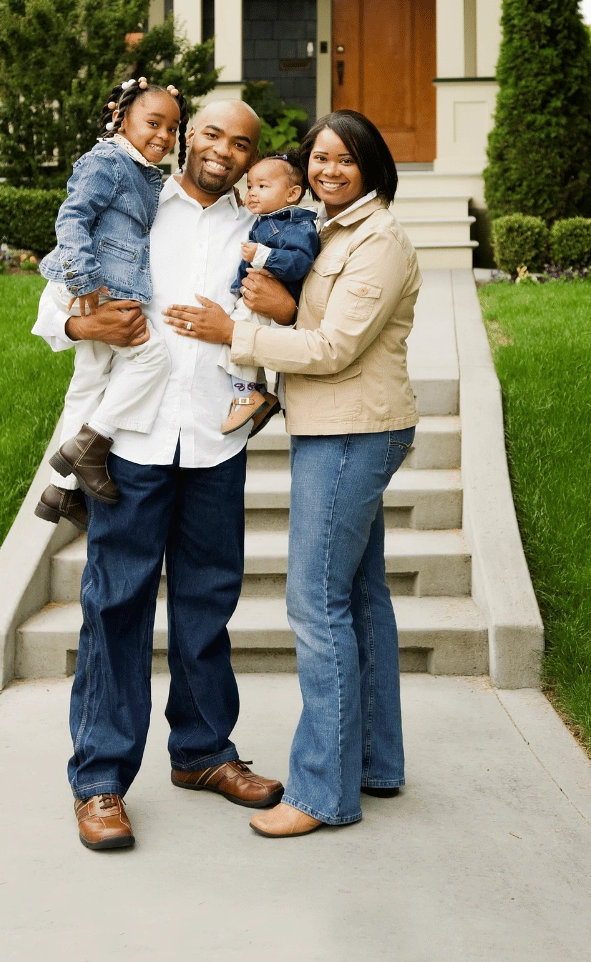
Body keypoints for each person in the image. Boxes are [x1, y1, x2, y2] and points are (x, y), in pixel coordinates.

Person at [32, 99, 296, 851]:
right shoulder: (138, 196)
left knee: (208, 602)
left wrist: (274, 312)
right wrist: (86, 323)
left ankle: (204, 753)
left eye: (241, 142)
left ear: (252, 157)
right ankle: (101, 782)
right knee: (116, 605)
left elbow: (288, 318)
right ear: (188, 137)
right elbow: (54, 309)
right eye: (211, 133)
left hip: (215, 439)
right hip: (134, 443)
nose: (224, 151)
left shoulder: (261, 222)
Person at [164, 109, 422, 840]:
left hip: (350, 430)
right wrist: (278, 311)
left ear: (371, 166)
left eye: (345, 160)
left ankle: (321, 793)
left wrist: (237, 333)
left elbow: (336, 345)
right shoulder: (333, 229)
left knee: (316, 605)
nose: (328, 171)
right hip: (346, 424)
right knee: (362, 597)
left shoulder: (377, 240)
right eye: (319, 158)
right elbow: (314, 315)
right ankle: (373, 762)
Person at [34, 77, 187, 528]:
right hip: (90, 286)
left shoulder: (141, 170)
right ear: (121, 118)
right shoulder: (109, 160)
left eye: (173, 128)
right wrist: (84, 282)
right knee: (152, 357)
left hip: (98, 284)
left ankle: (60, 492)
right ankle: (92, 443)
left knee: (88, 381)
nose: (163, 135)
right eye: (153, 123)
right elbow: (73, 215)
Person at [219, 149, 320, 436]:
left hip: (271, 297)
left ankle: (245, 397)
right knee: (241, 344)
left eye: (263, 187)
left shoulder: (297, 225)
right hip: (254, 296)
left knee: (237, 343)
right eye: (250, 186)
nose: (252, 192)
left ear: (292, 194)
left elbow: (299, 263)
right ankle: (261, 394)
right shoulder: (266, 220)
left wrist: (263, 255)